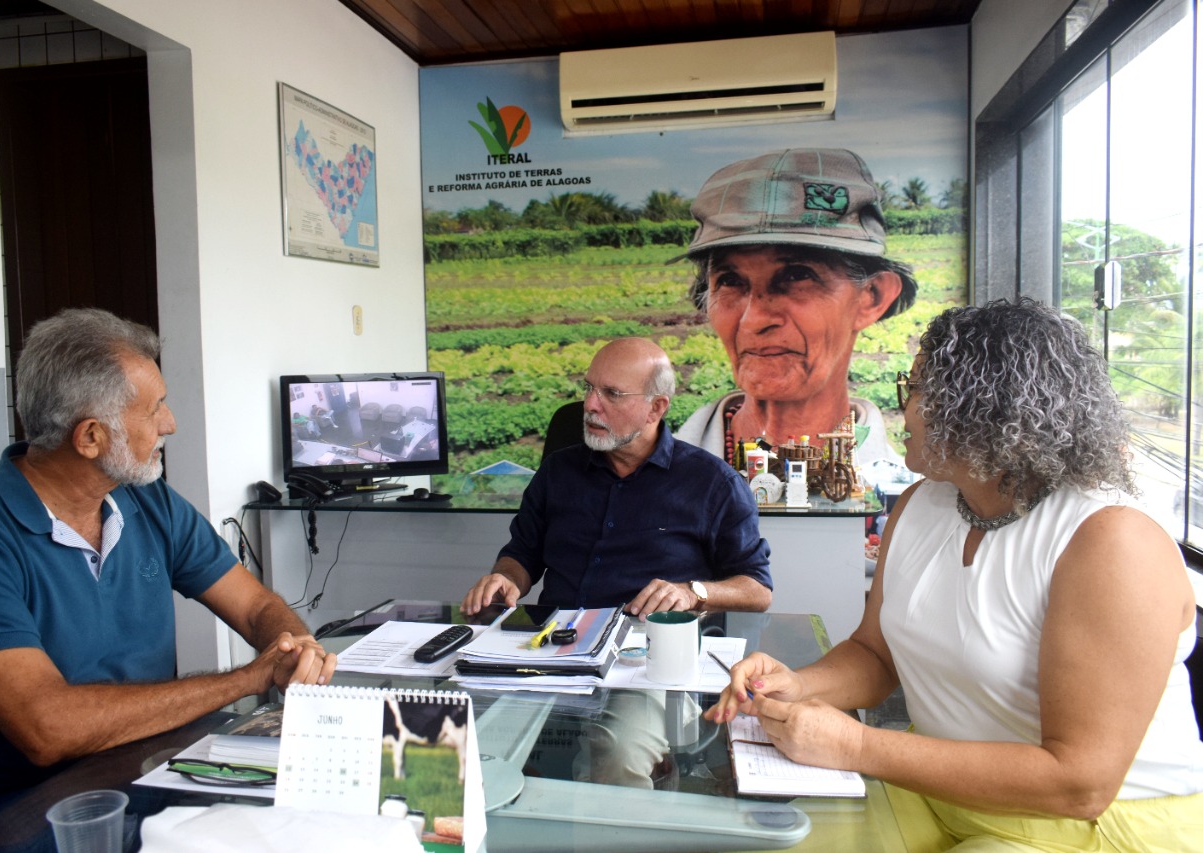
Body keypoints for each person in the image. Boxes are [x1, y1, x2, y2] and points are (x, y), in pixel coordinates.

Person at [706, 299, 1203, 851]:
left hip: (1092, 825)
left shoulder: (1111, 541)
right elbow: (876, 654)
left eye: (913, 390)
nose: (902, 411)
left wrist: (857, 746)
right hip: (936, 791)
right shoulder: (922, 504)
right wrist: (799, 685)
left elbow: (1079, 783)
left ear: (981, 407)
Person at [0, 308, 338, 851]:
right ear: (91, 437)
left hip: (145, 769)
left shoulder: (146, 500)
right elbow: (48, 728)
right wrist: (249, 678)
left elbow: (256, 607)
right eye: (156, 407)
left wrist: (294, 647)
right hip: (8, 812)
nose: (171, 423)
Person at [461, 336, 773, 618]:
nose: (590, 405)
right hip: (553, 643)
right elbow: (522, 554)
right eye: (589, 388)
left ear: (656, 408)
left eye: (612, 393)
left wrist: (692, 593)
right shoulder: (557, 471)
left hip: (647, 652)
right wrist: (506, 577)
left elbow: (757, 590)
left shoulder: (714, 484)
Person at [674, 148, 918, 470]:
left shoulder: (907, 502)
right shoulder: (653, 483)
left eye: (797, 275)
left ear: (871, 297)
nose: (754, 320)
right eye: (731, 281)